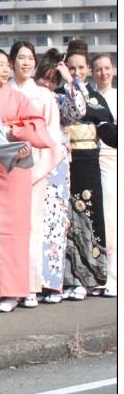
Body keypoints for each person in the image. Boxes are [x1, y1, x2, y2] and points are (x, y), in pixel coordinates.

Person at [0, 48, 52, 311]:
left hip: (15, 166)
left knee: (15, 231)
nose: (5, 69)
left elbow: (39, 127)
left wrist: (15, 131)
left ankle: (13, 291)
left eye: (6, 65)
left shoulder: (18, 97)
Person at [59, 40, 113, 299]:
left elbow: (108, 131)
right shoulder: (58, 94)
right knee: (66, 222)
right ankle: (69, 279)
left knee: (90, 219)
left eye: (81, 67)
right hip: (64, 164)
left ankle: (92, 277)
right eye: (72, 67)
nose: (77, 72)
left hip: (89, 163)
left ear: (88, 69)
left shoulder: (94, 96)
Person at [33, 56, 86, 302]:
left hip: (55, 167)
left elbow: (79, 111)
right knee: (32, 225)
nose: (47, 84)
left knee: (54, 226)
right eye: (44, 77)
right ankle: (31, 282)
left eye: (52, 80)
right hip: (31, 163)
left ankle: (53, 284)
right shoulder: (28, 97)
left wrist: (69, 79)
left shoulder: (60, 99)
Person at [91, 52, 117, 297]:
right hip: (93, 162)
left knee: (113, 221)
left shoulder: (118, 98)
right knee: (99, 222)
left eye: (107, 68)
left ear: (114, 69)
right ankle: (100, 276)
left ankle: (114, 278)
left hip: (114, 161)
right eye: (98, 69)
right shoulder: (91, 98)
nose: (103, 73)